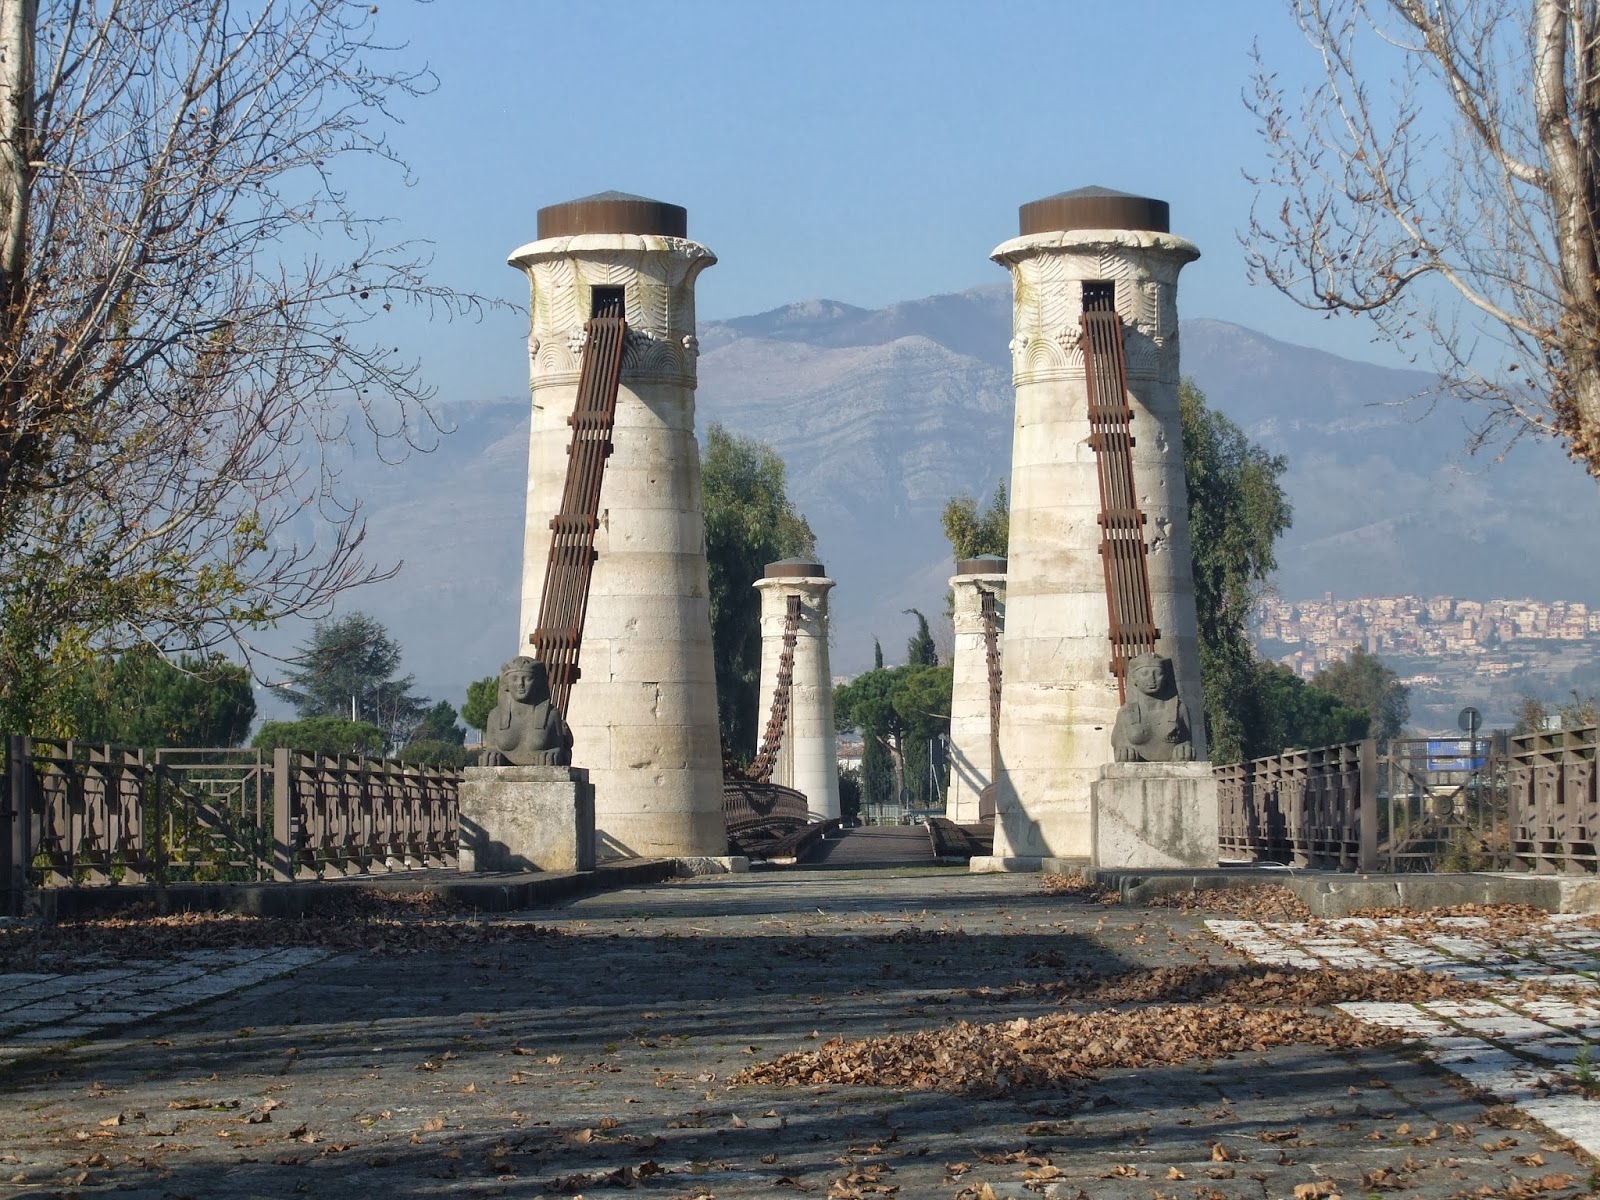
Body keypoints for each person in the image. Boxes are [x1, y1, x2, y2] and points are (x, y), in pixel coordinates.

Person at [483, 657, 572, 766]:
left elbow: (560, 749)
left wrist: (554, 753)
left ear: (537, 682)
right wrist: (491, 754)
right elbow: (491, 747)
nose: (520, 683)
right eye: (514, 679)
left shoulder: (551, 714)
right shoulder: (495, 716)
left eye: (527, 678)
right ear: (506, 684)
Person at [1110, 652, 1193, 763]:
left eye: (1158, 673)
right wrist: (1123, 750)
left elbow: (1187, 740)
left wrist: (1184, 748)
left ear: (1165, 677)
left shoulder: (1180, 710)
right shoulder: (1125, 712)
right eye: (1144, 674)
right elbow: (1118, 743)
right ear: (1134, 678)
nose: (1152, 679)